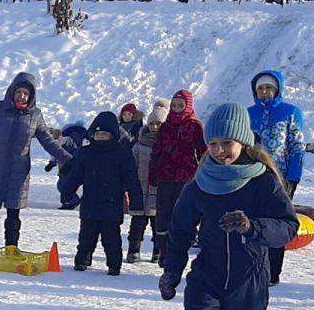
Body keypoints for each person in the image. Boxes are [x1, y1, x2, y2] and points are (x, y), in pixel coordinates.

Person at [153, 103, 297, 310]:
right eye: (214, 144)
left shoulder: (263, 182)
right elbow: (180, 230)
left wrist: (253, 227)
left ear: (243, 143)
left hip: (249, 280)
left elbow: (288, 227)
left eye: (227, 144)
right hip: (208, 276)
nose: (219, 151)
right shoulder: (201, 182)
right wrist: (171, 271)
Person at [0, 71, 70, 261]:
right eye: (19, 92)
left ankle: (11, 251)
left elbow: (48, 140)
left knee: (13, 215)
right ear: (12, 91)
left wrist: (67, 159)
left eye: (26, 93)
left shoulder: (35, 115)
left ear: (31, 96)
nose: (22, 96)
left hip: (19, 172)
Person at [60, 109, 139, 274]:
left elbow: (131, 179)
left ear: (113, 136)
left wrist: (136, 199)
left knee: (111, 239)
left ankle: (114, 265)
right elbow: (76, 175)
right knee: (86, 237)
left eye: (105, 134)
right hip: (90, 203)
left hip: (112, 203)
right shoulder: (86, 154)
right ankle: (82, 260)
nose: (101, 137)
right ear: (92, 135)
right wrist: (67, 192)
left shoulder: (122, 154)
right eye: (98, 134)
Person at [247, 71, 307, 286]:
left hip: (280, 176)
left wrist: (293, 176)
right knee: (253, 220)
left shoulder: (290, 112)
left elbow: (297, 146)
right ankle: (254, 266)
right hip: (253, 174)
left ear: (277, 90)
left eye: (268, 88)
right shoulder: (249, 113)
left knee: (277, 222)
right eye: (260, 89)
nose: (265, 92)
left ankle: (273, 271)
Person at [148, 89, 206, 268]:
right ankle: (164, 252)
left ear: (188, 106)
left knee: (181, 216)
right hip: (165, 176)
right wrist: (153, 170)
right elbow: (157, 150)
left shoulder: (194, 126)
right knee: (162, 216)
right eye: (173, 105)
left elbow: (202, 151)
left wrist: (203, 173)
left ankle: (179, 252)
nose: (177, 108)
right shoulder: (165, 126)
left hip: (185, 177)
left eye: (181, 105)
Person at [127, 97, 168, 263]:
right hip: (139, 188)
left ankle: (157, 252)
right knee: (137, 223)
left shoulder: (167, 145)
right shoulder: (139, 145)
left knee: (157, 224)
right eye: (152, 124)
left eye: (158, 124)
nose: (154, 127)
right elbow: (132, 165)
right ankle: (133, 250)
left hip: (158, 190)